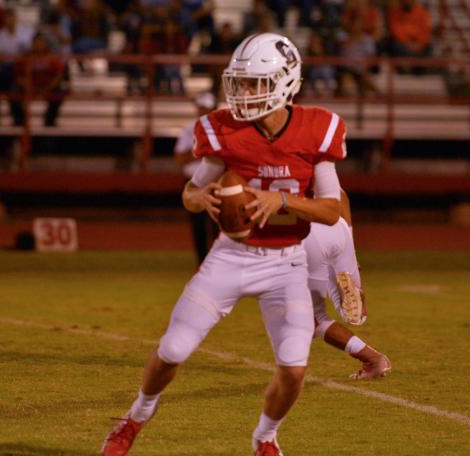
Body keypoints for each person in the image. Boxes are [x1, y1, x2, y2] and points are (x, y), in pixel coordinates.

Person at [101, 32, 346, 456]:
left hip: (286, 263)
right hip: (232, 255)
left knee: (294, 368)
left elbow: (330, 210)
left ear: (287, 82)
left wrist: (281, 200)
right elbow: (190, 193)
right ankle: (134, 418)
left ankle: (265, 437)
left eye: (255, 84)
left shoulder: (317, 129)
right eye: (241, 83)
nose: (245, 94)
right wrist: (203, 199)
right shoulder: (224, 129)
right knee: (173, 348)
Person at [304, 190, 392, 380]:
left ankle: (373, 359)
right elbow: (341, 195)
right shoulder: (314, 170)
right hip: (338, 227)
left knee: (311, 318)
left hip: (304, 232)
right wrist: (349, 248)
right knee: (355, 316)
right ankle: (354, 293)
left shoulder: (255, 173)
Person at [174, 92, 220, 265]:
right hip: (194, 183)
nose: (203, 112)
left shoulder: (222, 129)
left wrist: (200, 151)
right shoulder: (190, 129)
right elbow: (180, 158)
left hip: (217, 183)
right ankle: (202, 263)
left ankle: (217, 262)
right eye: (201, 108)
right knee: (198, 225)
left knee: (219, 225)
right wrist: (202, 150)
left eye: (206, 108)